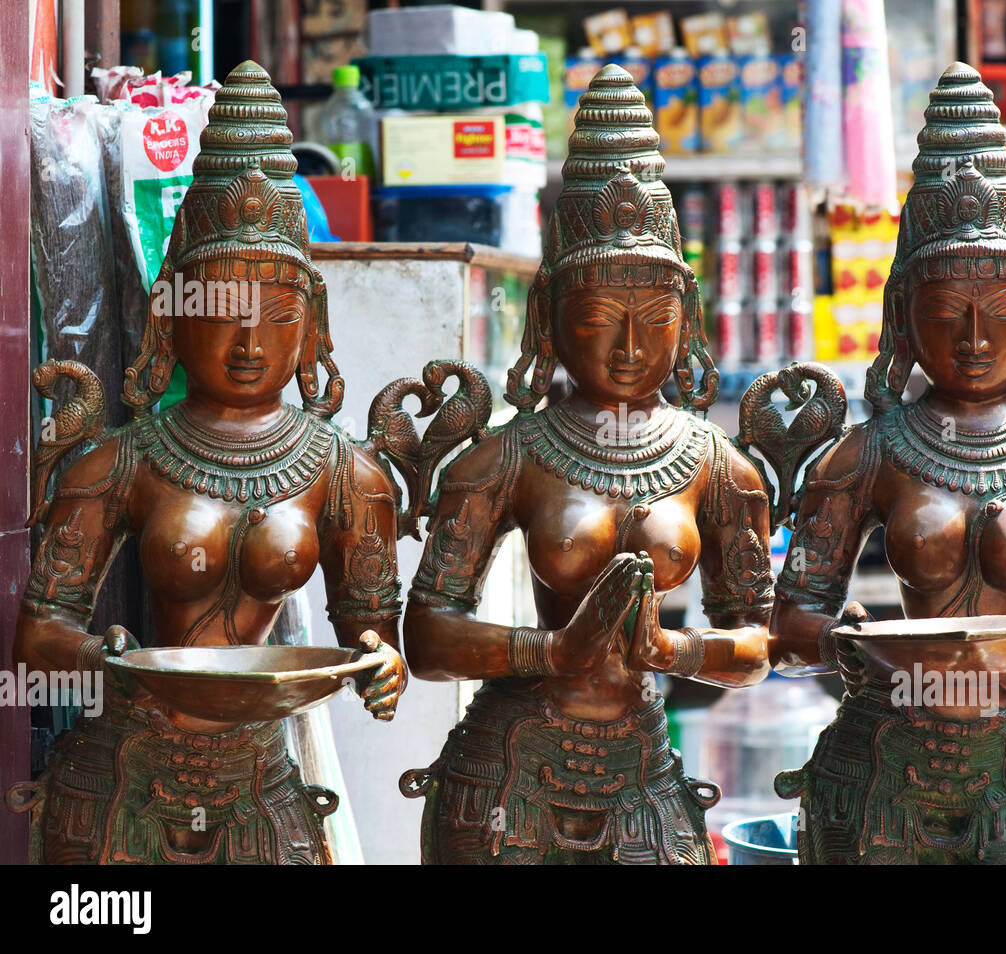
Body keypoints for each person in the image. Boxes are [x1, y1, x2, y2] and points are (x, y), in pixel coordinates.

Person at [10, 62, 405, 864]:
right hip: (125, 771)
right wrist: (103, 659)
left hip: (260, 776)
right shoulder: (121, 462)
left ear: (311, 325)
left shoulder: (346, 472)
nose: (250, 343)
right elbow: (39, 634)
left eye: (276, 315)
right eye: (221, 311)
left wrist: (382, 662)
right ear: (172, 316)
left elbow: (370, 629)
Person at [769, 63, 1006, 865]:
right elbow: (789, 628)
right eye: (947, 312)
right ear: (904, 320)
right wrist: (839, 640)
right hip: (880, 745)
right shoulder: (870, 451)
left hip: (1005, 744)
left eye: (1002, 312)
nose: (976, 338)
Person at [399, 66, 774, 864]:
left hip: (641, 762)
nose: (630, 347)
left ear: (688, 319)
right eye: (600, 318)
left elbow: (756, 646)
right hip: (508, 766)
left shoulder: (716, 464)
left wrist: (672, 652)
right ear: (549, 318)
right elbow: (427, 637)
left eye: (655, 319)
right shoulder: (510, 456)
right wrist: (552, 652)